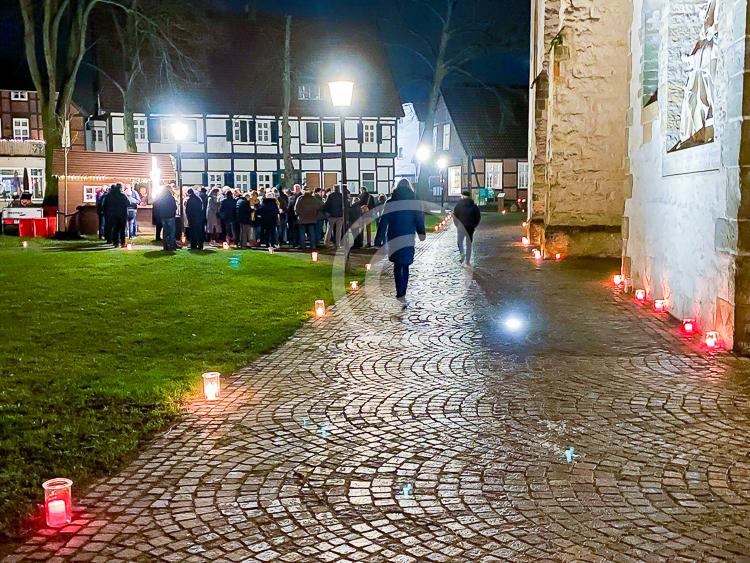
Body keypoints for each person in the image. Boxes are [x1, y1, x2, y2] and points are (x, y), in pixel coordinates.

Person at [376, 179, 425, 307]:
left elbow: (383, 221)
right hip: (408, 237)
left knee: (397, 265)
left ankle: (400, 292)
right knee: (406, 264)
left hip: (394, 236)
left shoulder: (391, 202)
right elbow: (419, 219)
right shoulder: (414, 203)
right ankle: (403, 291)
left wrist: (379, 238)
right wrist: (421, 233)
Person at [453, 190, 482, 265]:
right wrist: (474, 225)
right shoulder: (474, 206)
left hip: (461, 227)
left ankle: (462, 253)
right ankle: (467, 261)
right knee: (469, 243)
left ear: (462, 196)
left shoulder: (458, 205)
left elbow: (455, 216)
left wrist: (457, 225)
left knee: (459, 242)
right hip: (470, 227)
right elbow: (478, 217)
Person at [103, 183, 129, 248]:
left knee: (115, 230)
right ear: (120, 188)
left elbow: (105, 205)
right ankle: (122, 243)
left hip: (113, 215)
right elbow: (128, 203)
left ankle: (116, 243)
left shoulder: (109, 196)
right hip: (122, 214)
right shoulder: (123, 195)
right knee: (122, 230)